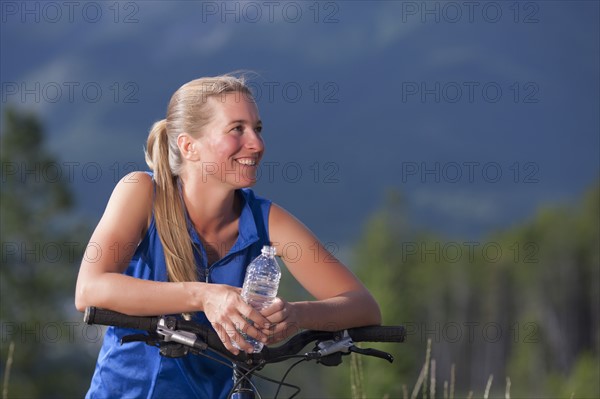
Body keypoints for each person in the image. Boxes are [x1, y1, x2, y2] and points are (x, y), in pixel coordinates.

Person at [75, 74, 381, 398]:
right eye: (237, 129)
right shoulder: (142, 192)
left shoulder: (266, 220)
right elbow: (89, 289)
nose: (257, 144)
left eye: (257, 129)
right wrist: (205, 296)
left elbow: (363, 306)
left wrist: (298, 314)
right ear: (189, 146)